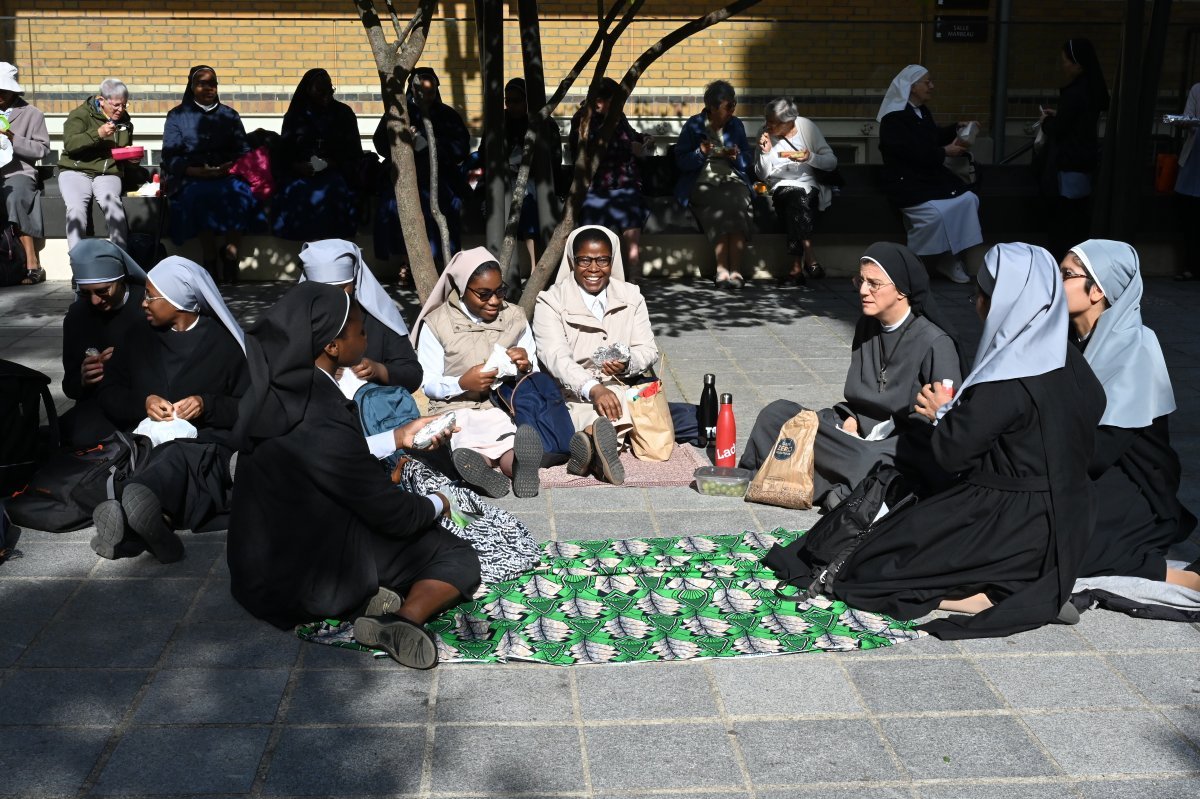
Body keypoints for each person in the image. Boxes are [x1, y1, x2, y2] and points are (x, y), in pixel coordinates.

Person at [819, 242, 1106, 639]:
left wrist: (943, 412)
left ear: (1001, 302)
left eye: (980, 294)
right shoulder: (1071, 359)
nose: (976, 304)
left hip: (1008, 519)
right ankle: (1021, 587)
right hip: (1071, 518)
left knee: (863, 569)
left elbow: (952, 455)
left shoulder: (1009, 370)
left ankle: (999, 596)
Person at [228, 280, 480, 669]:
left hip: (255, 577)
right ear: (332, 346)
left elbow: (321, 461)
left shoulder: (275, 392)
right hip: (308, 585)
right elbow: (393, 515)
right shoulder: (320, 411)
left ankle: (370, 595)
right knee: (454, 552)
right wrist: (437, 503)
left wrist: (396, 437)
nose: (366, 335)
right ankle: (400, 621)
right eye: (360, 331)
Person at [740, 242, 963, 509]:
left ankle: (820, 482)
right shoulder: (867, 325)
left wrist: (874, 436)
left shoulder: (936, 342)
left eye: (874, 284)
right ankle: (836, 487)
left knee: (868, 460)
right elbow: (857, 399)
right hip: (851, 436)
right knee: (775, 415)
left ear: (902, 289)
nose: (863, 290)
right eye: (860, 280)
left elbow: (941, 423)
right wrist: (851, 419)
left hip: (898, 444)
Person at [90, 256, 249, 563]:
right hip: (145, 441)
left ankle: (131, 523)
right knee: (145, 461)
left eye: (151, 296)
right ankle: (154, 525)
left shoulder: (225, 344)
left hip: (202, 446)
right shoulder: (136, 337)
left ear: (179, 301)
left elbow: (249, 406)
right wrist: (143, 403)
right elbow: (109, 393)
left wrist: (207, 404)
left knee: (176, 458)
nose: (143, 303)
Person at [1061, 240, 1200, 590]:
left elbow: (1100, 451)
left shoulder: (1137, 347)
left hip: (1133, 483)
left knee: (1063, 546)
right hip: (1076, 469)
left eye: (1065, 275)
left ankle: (1186, 579)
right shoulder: (1067, 339)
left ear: (1099, 290)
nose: (1053, 283)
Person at [410, 247, 543, 499]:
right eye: (484, 294)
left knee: (508, 441)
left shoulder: (514, 317)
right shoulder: (437, 323)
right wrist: (461, 383)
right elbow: (428, 383)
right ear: (462, 289)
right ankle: (480, 473)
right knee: (466, 444)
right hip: (454, 408)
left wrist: (525, 365)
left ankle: (520, 467)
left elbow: (533, 370)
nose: (494, 301)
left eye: (500, 291)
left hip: (500, 405)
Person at [533, 225, 661, 485]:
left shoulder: (631, 296)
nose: (594, 268)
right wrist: (593, 388)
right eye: (585, 260)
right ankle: (600, 447)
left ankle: (591, 444)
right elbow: (555, 356)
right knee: (591, 410)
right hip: (572, 391)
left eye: (602, 260)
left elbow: (648, 349)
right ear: (572, 260)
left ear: (612, 261)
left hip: (621, 385)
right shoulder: (550, 301)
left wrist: (627, 364)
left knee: (622, 402)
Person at [877, 65, 982, 284]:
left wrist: (955, 129)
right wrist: (943, 152)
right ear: (912, 87)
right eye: (927, 82)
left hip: (929, 177)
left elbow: (931, 137)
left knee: (968, 200)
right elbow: (906, 151)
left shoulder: (922, 111)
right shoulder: (893, 118)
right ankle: (913, 264)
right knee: (934, 216)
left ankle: (949, 257)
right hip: (907, 181)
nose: (931, 86)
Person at [162, 64, 265, 282]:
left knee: (240, 194)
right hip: (193, 175)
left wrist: (230, 166)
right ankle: (209, 256)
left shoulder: (229, 115)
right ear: (192, 87)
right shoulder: (177, 116)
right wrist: (192, 170)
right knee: (198, 196)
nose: (209, 88)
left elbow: (243, 150)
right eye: (202, 84)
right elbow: (170, 154)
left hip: (227, 174)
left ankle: (231, 254)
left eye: (213, 84)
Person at [373, 67, 470, 271]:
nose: (426, 98)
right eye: (420, 93)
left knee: (444, 205)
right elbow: (381, 142)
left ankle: (439, 262)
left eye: (430, 93)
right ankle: (407, 261)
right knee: (394, 204)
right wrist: (403, 142)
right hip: (405, 175)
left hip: (440, 175)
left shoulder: (447, 115)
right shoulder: (399, 113)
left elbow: (460, 148)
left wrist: (432, 144)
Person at [298, 239, 421, 392]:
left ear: (355, 281)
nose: (333, 297)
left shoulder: (377, 318)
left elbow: (413, 374)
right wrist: (318, 370)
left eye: (341, 287)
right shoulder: (296, 322)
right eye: (322, 290)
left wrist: (379, 370)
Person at [59, 240, 148, 447]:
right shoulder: (77, 317)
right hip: (98, 408)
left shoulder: (147, 307)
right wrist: (83, 379)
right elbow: (70, 387)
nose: (95, 301)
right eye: (85, 293)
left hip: (146, 403)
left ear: (121, 279)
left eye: (102, 290)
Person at [476, 77, 562, 283]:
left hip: (533, 181)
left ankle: (535, 269)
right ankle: (502, 270)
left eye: (516, 101)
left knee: (531, 209)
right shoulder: (499, 122)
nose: (511, 106)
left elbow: (553, 159)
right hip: (503, 180)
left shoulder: (543, 124)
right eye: (508, 101)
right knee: (498, 211)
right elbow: (483, 153)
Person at [569, 78, 655, 283]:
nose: (618, 105)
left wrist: (644, 138)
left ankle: (634, 272)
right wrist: (629, 148)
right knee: (594, 221)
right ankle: (598, 274)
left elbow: (631, 135)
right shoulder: (583, 119)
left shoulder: (618, 116)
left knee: (631, 212)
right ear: (599, 101)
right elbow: (588, 152)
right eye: (613, 101)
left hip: (625, 183)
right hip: (597, 186)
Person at [674, 80, 754, 291]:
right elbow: (681, 161)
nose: (732, 110)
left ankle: (735, 269)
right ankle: (722, 269)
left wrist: (737, 156)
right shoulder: (694, 125)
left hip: (733, 179)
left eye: (734, 105)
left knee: (737, 204)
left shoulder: (736, 124)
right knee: (720, 205)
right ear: (712, 106)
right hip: (701, 180)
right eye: (728, 106)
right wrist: (700, 152)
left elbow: (747, 160)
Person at [1037, 38, 1110, 260]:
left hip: (1068, 159)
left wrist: (1046, 122)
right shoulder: (1092, 88)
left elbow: (1059, 129)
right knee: (1078, 214)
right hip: (1084, 159)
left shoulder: (1075, 92)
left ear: (1077, 64)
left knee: (1064, 218)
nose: (1064, 65)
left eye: (1066, 61)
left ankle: (1061, 260)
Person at [755, 97, 837, 288]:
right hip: (781, 185)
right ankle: (809, 257)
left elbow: (831, 162)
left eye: (772, 122)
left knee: (797, 201)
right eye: (766, 120)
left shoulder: (806, 128)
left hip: (809, 183)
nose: (767, 125)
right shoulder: (764, 132)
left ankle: (796, 270)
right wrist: (765, 153)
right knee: (795, 198)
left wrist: (810, 157)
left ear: (789, 122)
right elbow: (761, 174)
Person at [272, 69, 363, 241]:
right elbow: (283, 153)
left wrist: (332, 162)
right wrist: (297, 166)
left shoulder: (343, 114)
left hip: (334, 172)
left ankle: (330, 247)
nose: (326, 96)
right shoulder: (296, 116)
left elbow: (353, 152)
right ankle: (308, 250)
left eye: (330, 91)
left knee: (333, 192)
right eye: (320, 91)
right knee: (297, 193)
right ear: (308, 90)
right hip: (300, 174)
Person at [58, 79, 135, 253]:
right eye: (116, 105)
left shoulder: (125, 122)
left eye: (124, 105)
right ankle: (79, 265)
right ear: (101, 100)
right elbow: (70, 144)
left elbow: (122, 151)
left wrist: (132, 158)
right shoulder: (80, 115)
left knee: (114, 206)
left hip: (107, 172)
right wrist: (98, 133)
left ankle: (120, 260)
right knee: (76, 209)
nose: (120, 110)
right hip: (75, 170)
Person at [0, 62, 49, 284]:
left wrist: (13, 138)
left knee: (16, 196)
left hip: (18, 170)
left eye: (3, 91)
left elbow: (42, 149)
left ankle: (32, 263)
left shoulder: (32, 114)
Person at [1169, 82, 1200, 280]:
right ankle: (1191, 264)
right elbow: (1189, 116)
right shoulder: (1197, 89)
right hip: (1195, 152)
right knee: (1190, 213)